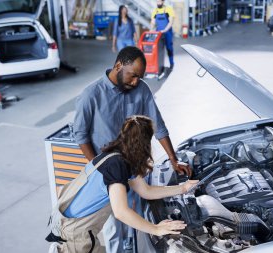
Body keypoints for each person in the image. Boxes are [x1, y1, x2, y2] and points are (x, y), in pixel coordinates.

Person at [73, 46, 191, 252]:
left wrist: (174, 160)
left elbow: (159, 126)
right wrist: (98, 170)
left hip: (134, 167)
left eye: (140, 77)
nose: (136, 82)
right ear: (118, 66)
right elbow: (81, 136)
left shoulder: (141, 89)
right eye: (133, 76)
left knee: (138, 218)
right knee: (115, 227)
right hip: (109, 174)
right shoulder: (90, 96)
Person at [58, 115, 198, 253]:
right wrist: (155, 229)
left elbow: (146, 191)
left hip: (76, 227)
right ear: (145, 143)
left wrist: (183, 188)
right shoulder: (116, 165)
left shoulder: (121, 156)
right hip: (76, 233)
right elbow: (121, 212)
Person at [151, 0, 175, 69]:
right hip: (159, 34)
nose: (158, 3)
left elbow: (171, 22)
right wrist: (151, 30)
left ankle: (171, 63)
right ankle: (159, 66)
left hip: (167, 33)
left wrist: (165, 30)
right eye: (157, 1)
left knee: (169, 49)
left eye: (159, 1)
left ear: (163, 2)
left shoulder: (168, 9)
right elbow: (153, 22)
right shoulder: (155, 11)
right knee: (158, 50)